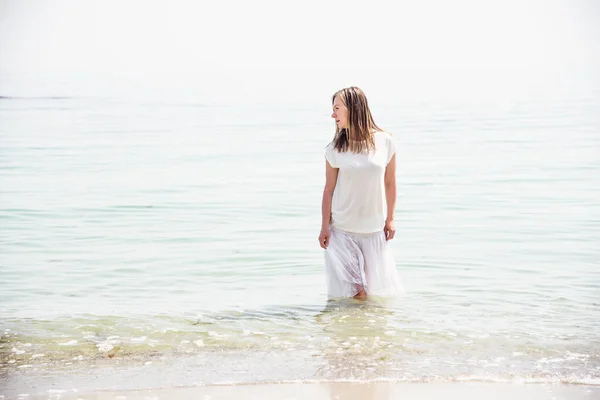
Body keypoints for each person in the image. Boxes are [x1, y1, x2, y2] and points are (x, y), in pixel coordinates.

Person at [319, 86, 404, 300]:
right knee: (357, 292)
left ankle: (367, 332)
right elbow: (328, 189)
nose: (333, 114)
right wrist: (323, 227)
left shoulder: (385, 141)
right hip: (342, 230)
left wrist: (391, 219)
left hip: (373, 230)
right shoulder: (335, 149)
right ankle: (352, 332)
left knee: (375, 293)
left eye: (337, 108)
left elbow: (390, 183)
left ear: (353, 108)